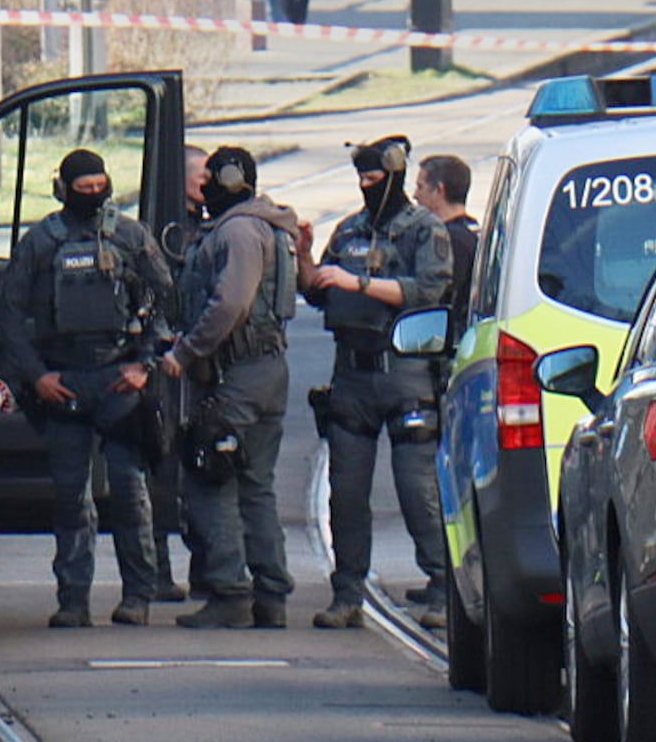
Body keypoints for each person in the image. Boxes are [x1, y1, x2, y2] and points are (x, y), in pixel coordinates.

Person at [0, 149, 175, 628]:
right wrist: (38, 376)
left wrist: (144, 365)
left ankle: (138, 594)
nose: (94, 196)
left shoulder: (131, 236)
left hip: (121, 379)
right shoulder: (40, 242)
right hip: (64, 382)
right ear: (63, 189)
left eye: (101, 186)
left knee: (129, 492)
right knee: (71, 497)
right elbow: (11, 317)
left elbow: (166, 303)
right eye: (84, 189)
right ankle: (73, 600)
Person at [297, 137, 453, 630]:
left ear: (395, 176)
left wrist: (357, 283)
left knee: (416, 488)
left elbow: (428, 290)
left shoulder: (425, 230)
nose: (368, 188)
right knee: (345, 491)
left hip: (404, 370)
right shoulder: (348, 231)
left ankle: (443, 587)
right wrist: (305, 260)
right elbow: (318, 290)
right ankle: (347, 593)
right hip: (352, 373)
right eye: (361, 181)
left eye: (374, 180)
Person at [162, 146, 303, 629]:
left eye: (208, 179)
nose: (202, 189)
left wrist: (184, 353)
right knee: (255, 484)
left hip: (236, 373)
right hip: (265, 369)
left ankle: (230, 591)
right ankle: (270, 594)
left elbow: (230, 303)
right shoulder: (271, 227)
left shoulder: (239, 230)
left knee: (208, 472)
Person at [152, 144, 213, 603]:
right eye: (201, 177)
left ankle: (207, 566)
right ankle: (157, 570)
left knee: (206, 463)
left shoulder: (217, 228)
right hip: (166, 362)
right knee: (161, 465)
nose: (210, 184)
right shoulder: (166, 232)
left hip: (202, 363)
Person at [412, 155, 479, 344]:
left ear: (439, 190)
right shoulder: (475, 231)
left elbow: (437, 297)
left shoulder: (449, 240)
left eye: (420, 187)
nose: (415, 196)